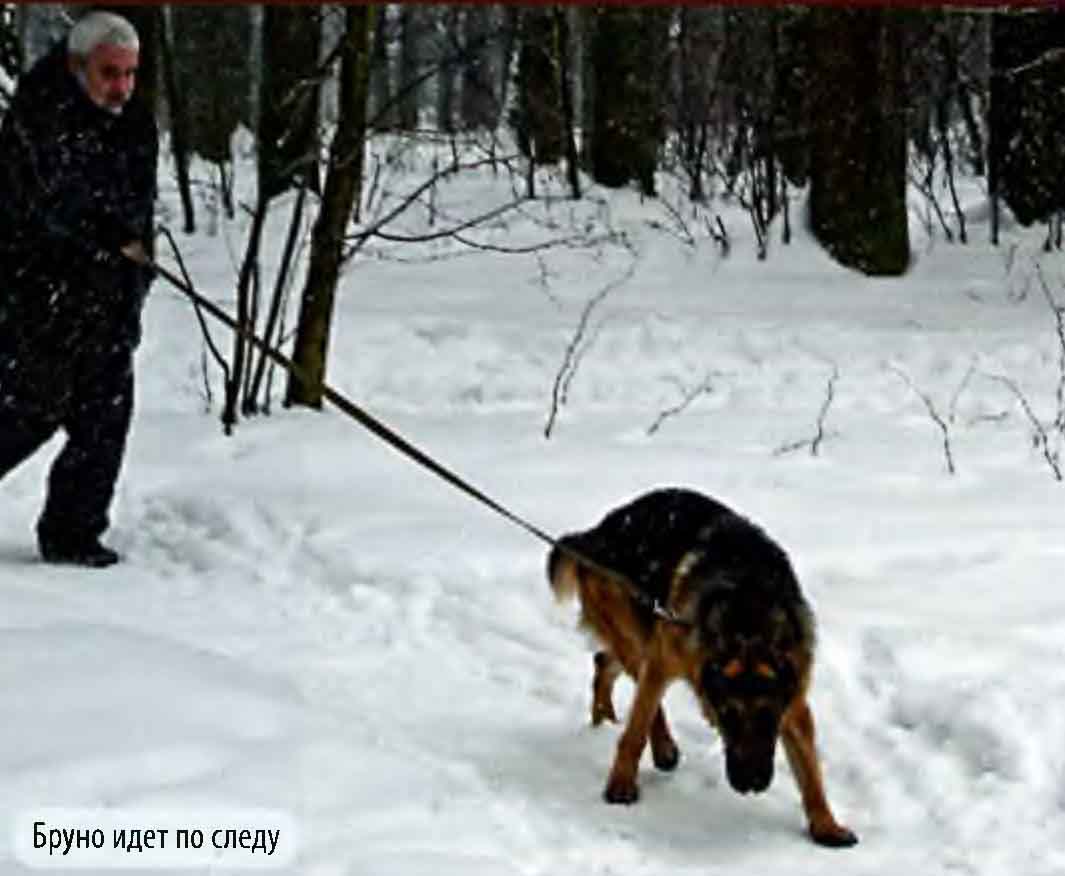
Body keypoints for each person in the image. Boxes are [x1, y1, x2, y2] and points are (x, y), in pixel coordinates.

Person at [0, 11, 157, 567]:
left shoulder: (136, 122)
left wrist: (136, 271)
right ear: (76, 66)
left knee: (105, 421)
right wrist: (97, 235)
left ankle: (73, 534)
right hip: (41, 299)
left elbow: (139, 208)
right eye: (109, 73)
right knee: (26, 416)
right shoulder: (37, 116)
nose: (122, 86)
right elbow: (40, 206)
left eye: (130, 74)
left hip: (111, 299)